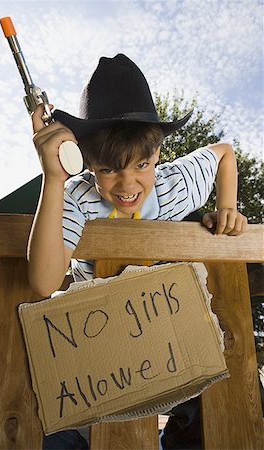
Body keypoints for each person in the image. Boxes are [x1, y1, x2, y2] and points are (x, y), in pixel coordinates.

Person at [27, 54, 248, 449]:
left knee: (217, 403)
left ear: (159, 154)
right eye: (109, 169)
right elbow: (44, 281)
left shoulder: (170, 185)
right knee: (52, 431)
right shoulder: (75, 198)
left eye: (141, 164)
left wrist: (227, 207)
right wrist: (54, 179)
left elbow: (223, 153)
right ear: (86, 162)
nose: (128, 184)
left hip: (168, 342)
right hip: (97, 348)